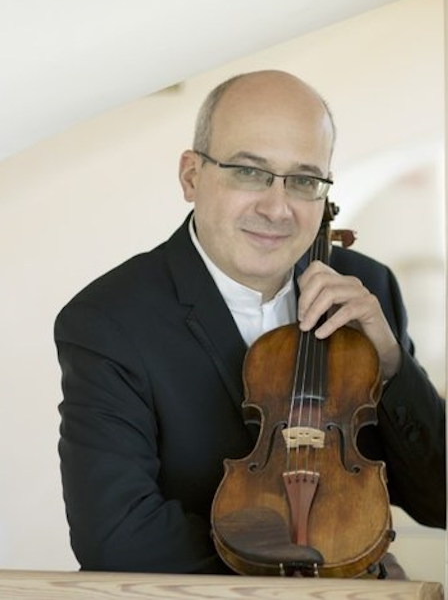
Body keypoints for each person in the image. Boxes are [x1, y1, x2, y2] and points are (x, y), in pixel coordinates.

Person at [55, 70, 445, 576]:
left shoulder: (367, 288)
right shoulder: (108, 320)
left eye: (303, 180)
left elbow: (440, 501)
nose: (278, 208)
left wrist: (391, 365)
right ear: (191, 176)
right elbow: (116, 537)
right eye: (248, 171)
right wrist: (313, 569)